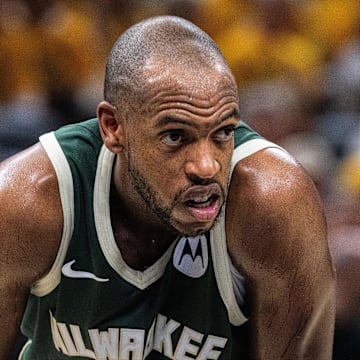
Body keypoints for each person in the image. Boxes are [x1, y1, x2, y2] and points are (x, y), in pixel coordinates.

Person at [0, 15, 335, 359]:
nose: (206, 167)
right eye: (175, 136)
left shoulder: (273, 204)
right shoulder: (26, 200)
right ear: (113, 127)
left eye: (222, 132)